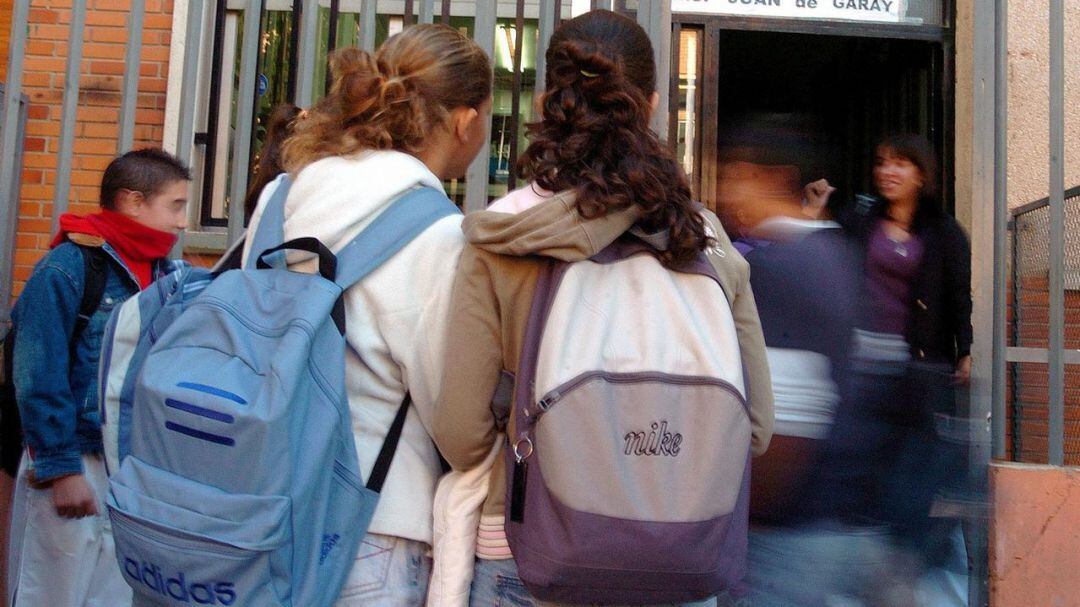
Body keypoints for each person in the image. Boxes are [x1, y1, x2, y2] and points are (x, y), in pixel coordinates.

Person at [432, 11, 773, 607]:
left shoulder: (501, 235)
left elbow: (460, 433)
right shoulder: (707, 240)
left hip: (528, 551)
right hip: (679, 560)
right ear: (655, 105)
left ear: (546, 101)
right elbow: (758, 427)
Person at [241, 24, 492, 605]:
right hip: (369, 516)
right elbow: (447, 409)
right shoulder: (439, 232)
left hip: (256, 496)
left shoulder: (282, 195)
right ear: (465, 120)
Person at [7, 148, 190, 606]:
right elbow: (36, 374)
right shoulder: (67, 267)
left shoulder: (170, 275)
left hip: (133, 467)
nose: (184, 222)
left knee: (115, 595)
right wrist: (61, 469)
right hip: (76, 462)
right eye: (176, 205)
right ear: (132, 202)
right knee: (53, 594)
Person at [807, 133, 973, 605]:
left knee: (915, 468)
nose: (888, 172)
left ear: (921, 173)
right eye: (882, 163)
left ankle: (910, 565)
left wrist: (967, 349)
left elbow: (960, 295)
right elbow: (833, 261)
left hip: (919, 368)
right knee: (862, 461)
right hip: (861, 364)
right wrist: (818, 207)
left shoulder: (944, 232)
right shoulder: (862, 221)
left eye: (900, 164)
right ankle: (863, 569)